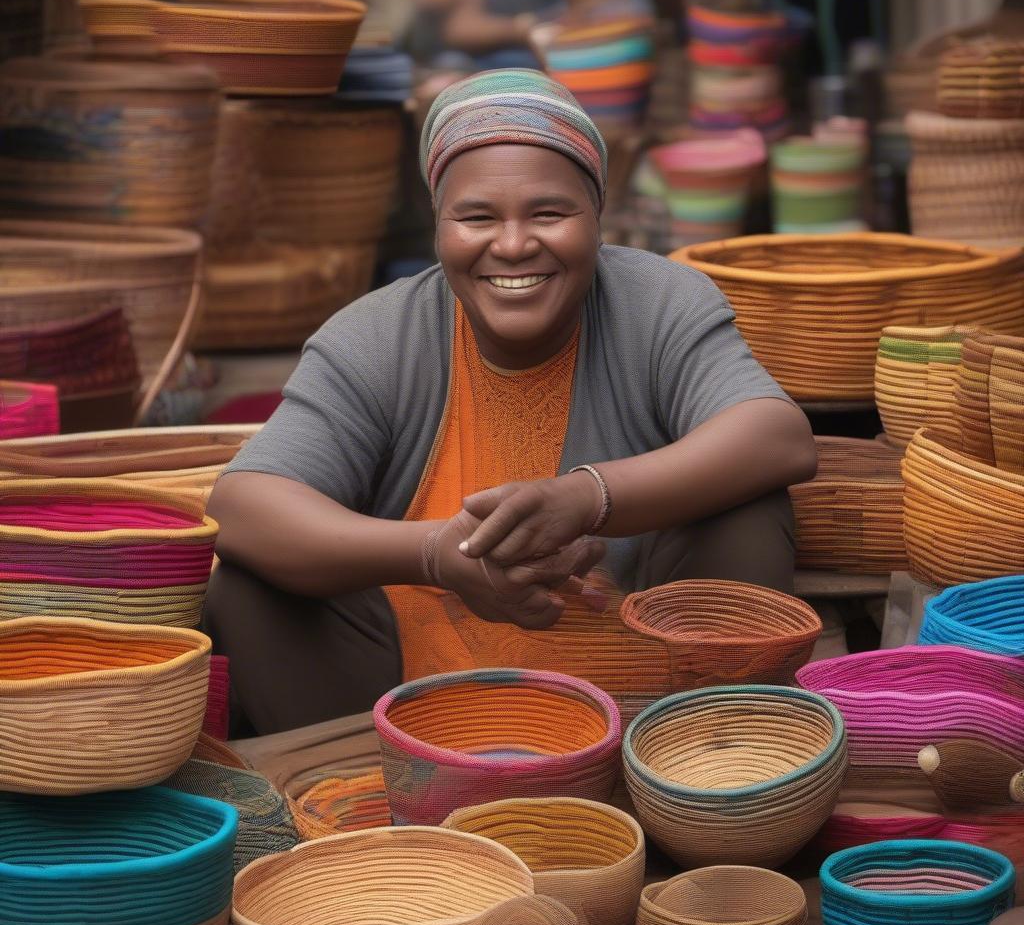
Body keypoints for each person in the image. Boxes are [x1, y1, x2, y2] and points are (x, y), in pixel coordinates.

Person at [204, 69, 817, 736]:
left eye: (550, 213)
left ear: (598, 217)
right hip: (413, 706)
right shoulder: (377, 336)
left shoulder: (660, 302)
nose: (515, 244)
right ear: (439, 229)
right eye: (476, 217)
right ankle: (366, 805)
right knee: (251, 576)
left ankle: (709, 762)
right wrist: (437, 553)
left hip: (641, 701)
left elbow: (775, 435)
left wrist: (587, 499)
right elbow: (243, 503)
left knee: (748, 505)